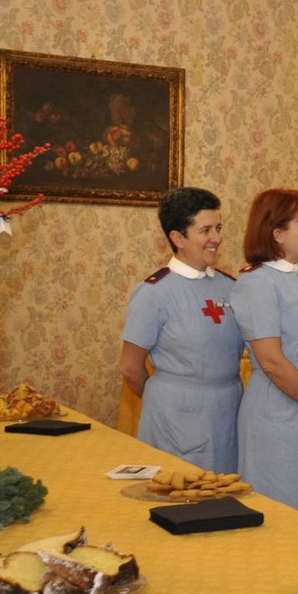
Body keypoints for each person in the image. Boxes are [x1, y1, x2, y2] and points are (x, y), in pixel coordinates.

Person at [230, 189, 298, 526]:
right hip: (276, 418)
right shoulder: (257, 283)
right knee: (282, 521)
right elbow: (271, 361)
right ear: (277, 233)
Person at [118, 186, 244, 474]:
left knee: (228, 500)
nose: (217, 238)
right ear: (177, 238)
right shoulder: (154, 292)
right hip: (176, 416)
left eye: (219, 228)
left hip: (229, 408)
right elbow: (129, 367)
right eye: (206, 230)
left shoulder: (232, 287)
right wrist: (165, 398)